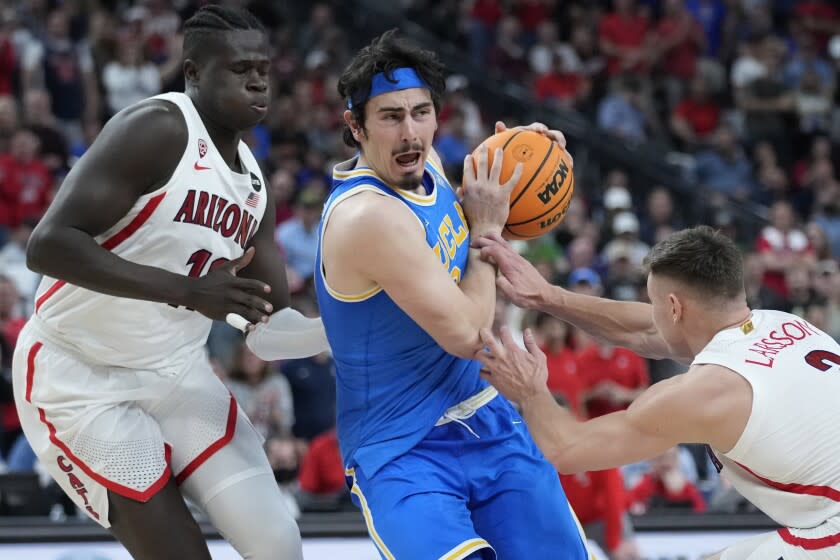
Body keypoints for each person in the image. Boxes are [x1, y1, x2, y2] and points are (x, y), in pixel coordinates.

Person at [11, 6, 329, 560]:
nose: (258, 80)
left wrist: (346, 326)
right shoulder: (157, 128)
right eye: (239, 68)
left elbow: (269, 329)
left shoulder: (255, 187)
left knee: (279, 545)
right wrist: (184, 291)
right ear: (194, 73)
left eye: (264, 68)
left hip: (175, 375)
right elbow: (49, 245)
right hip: (78, 375)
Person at [315, 30, 588, 560]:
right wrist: (489, 231)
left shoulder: (430, 167)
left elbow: (479, 197)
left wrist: (525, 155)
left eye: (421, 112)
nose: (410, 131)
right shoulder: (367, 216)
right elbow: (470, 333)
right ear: (355, 126)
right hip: (400, 448)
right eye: (391, 117)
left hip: (486, 413)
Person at [475, 226, 840, 559]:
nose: (651, 314)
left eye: (654, 303)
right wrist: (549, 296)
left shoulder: (706, 392)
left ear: (675, 307)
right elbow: (645, 331)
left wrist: (530, 391)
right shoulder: (785, 323)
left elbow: (567, 449)